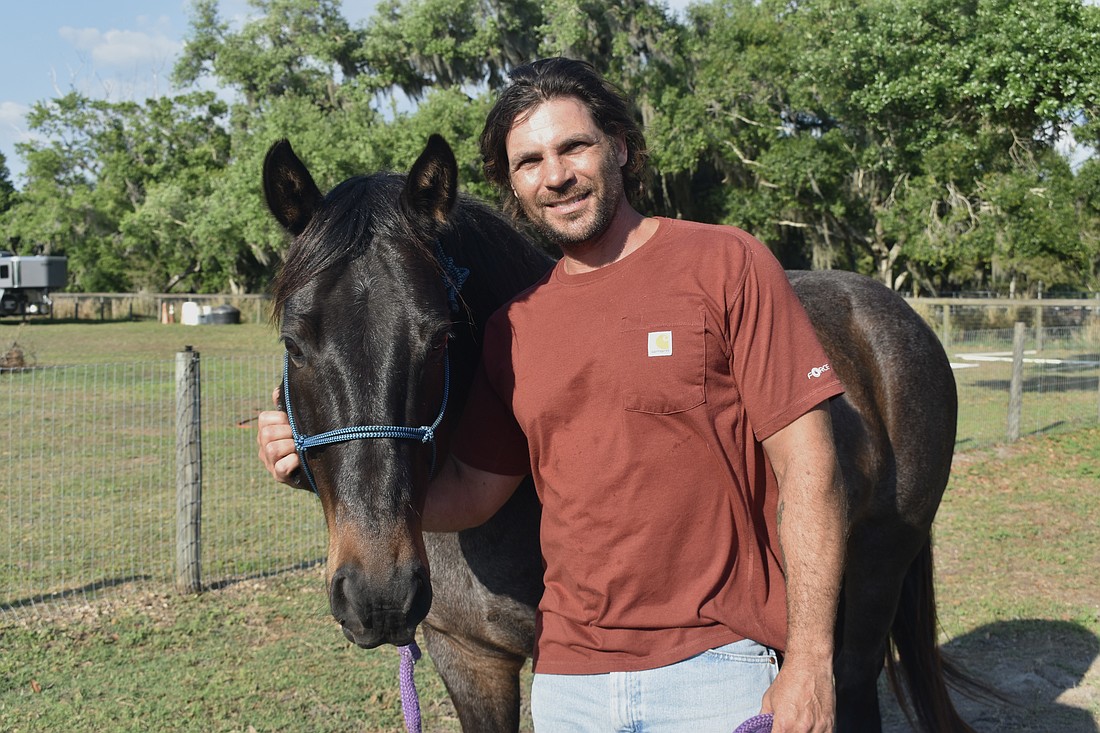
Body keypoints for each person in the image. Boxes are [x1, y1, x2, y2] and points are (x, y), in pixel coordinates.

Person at [258, 57, 847, 733]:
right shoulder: (517, 326)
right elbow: (471, 497)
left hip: (713, 671)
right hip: (570, 689)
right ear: (512, 182)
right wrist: (311, 467)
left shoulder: (725, 264)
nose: (556, 174)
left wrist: (811, 660)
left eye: (574, 146)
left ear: (620, 146)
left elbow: (810, 468)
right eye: (530, 160)